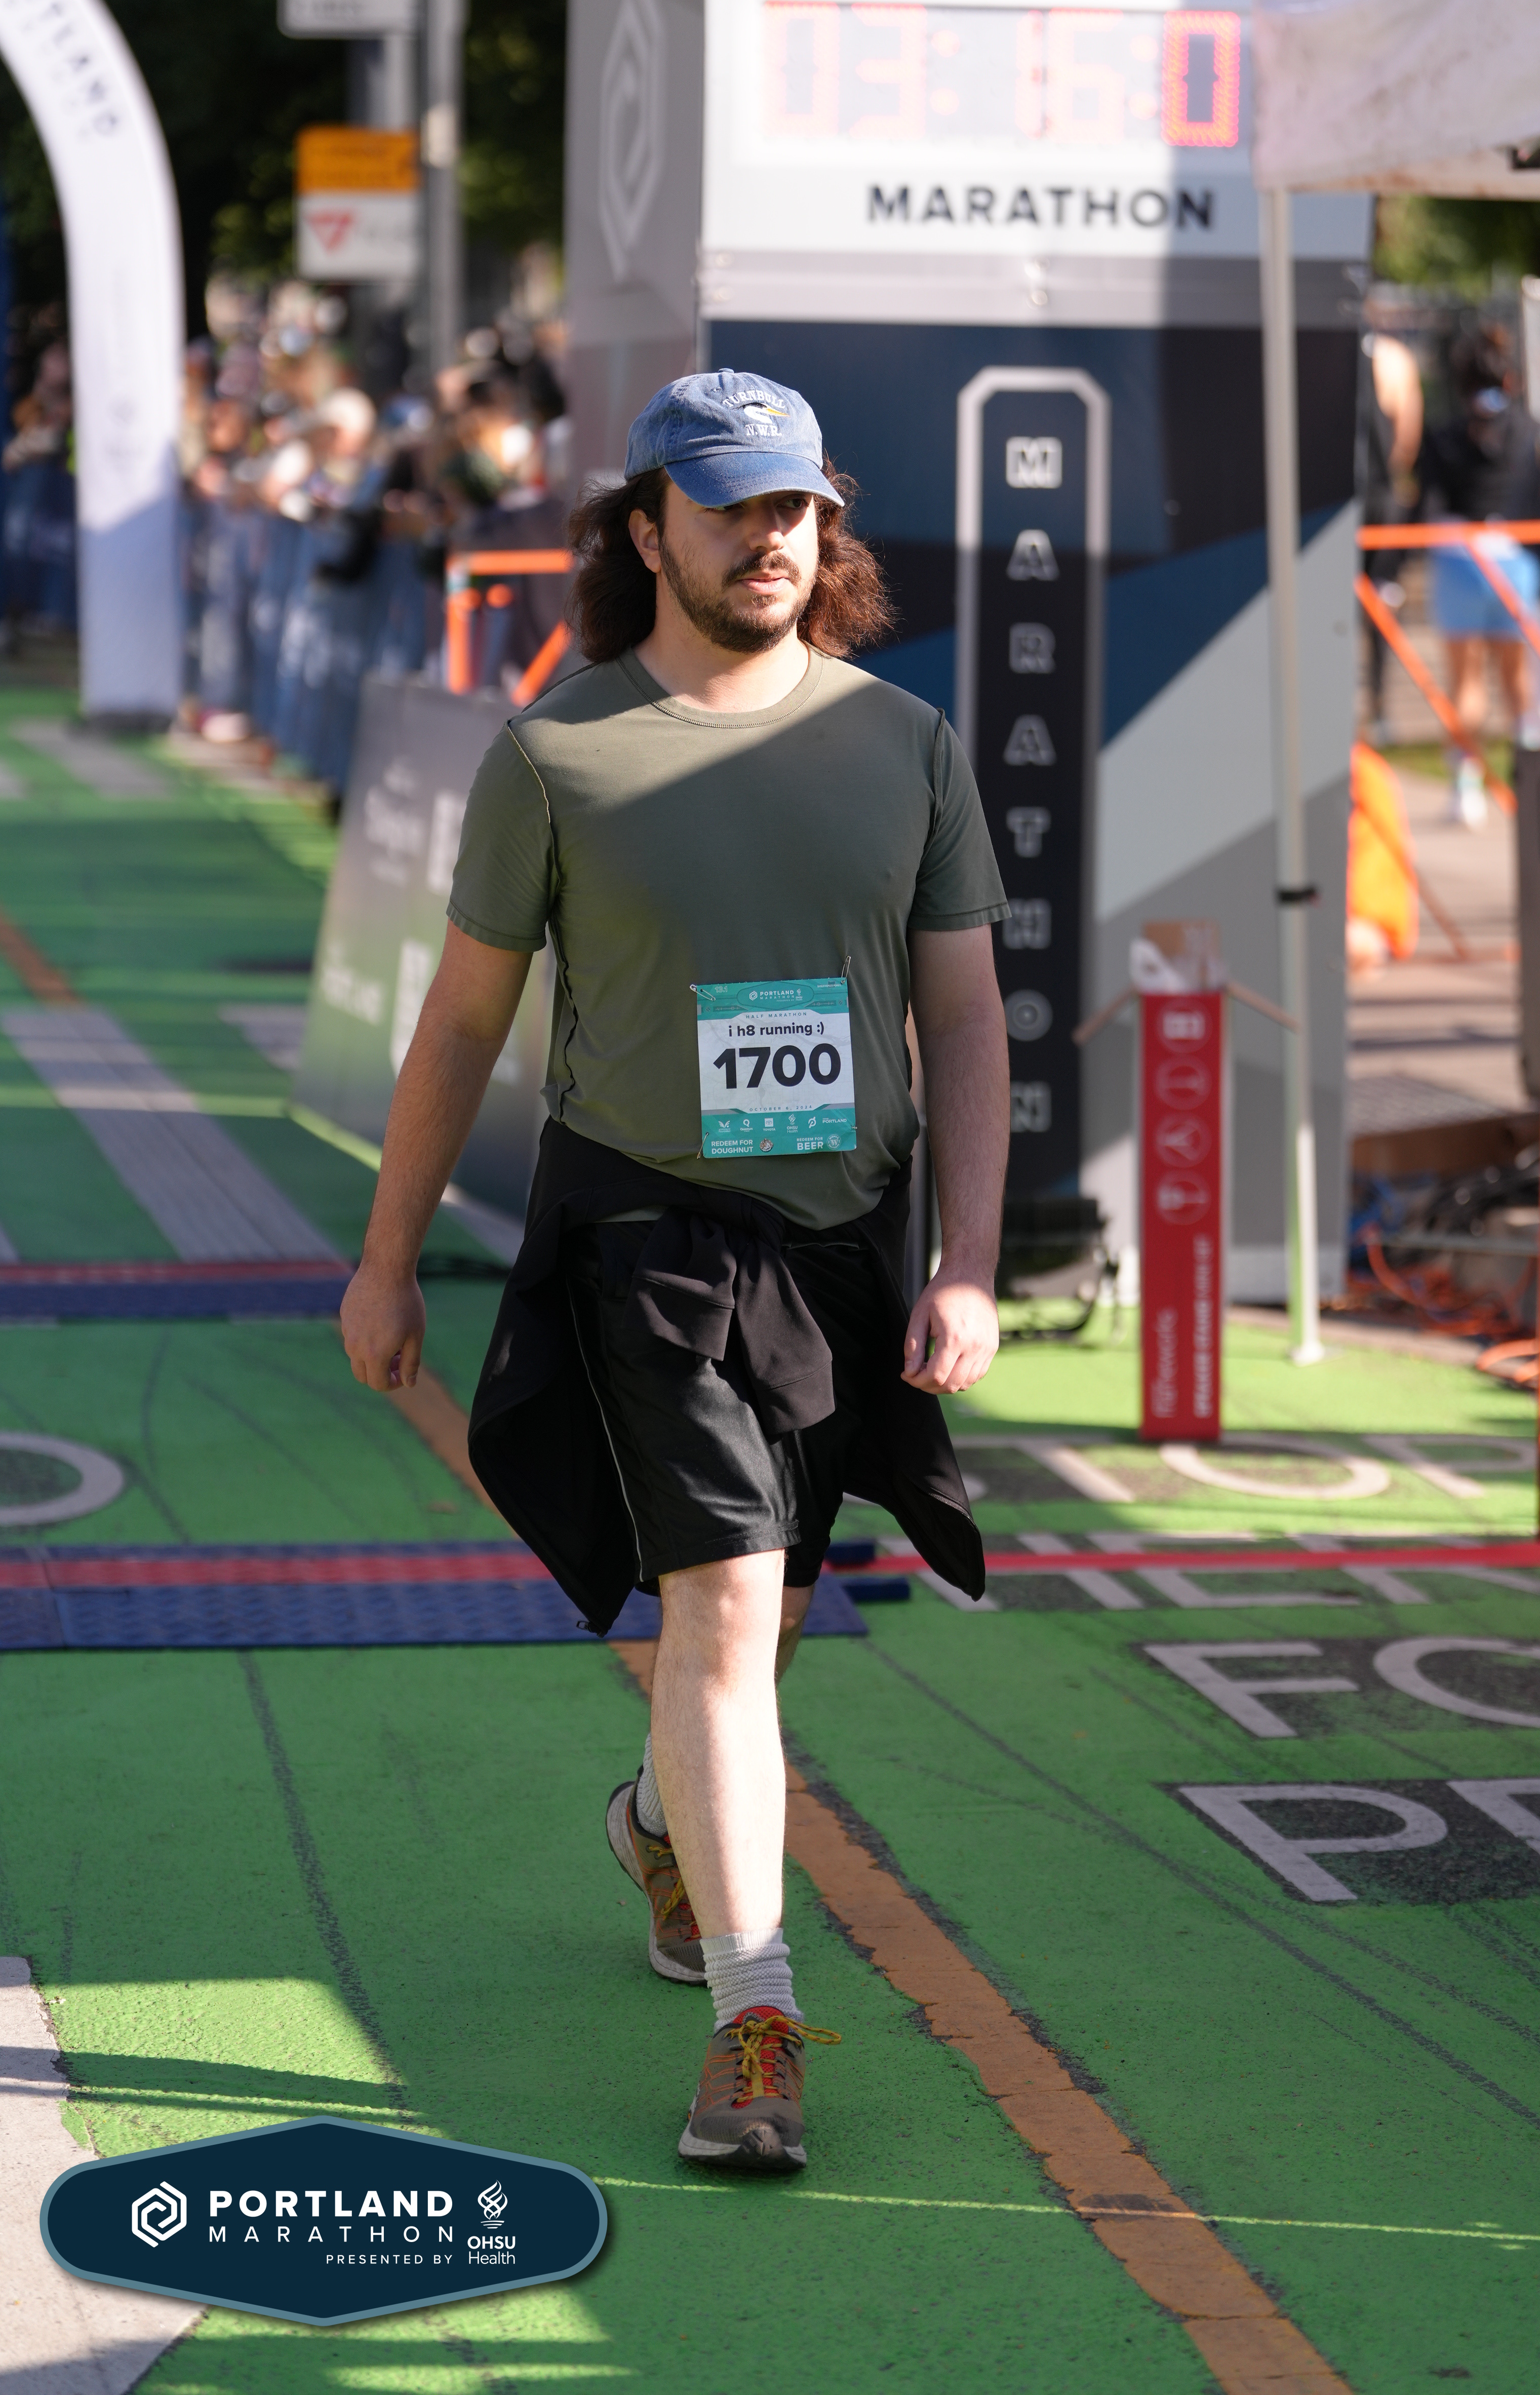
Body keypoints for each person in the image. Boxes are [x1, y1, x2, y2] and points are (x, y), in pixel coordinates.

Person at [339, 369, 1010, 2172]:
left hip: (844, 1245)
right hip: (645, 1236)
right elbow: (459, 1023)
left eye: (796, 509)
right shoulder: (557, 755)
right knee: (718, 1604)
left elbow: (964, 1016)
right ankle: (755, 2023)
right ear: (648, 532)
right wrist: (387, 1262)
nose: (772, 539)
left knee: (766, 1622)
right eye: (732, 509)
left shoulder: (906, 744)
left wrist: (969, 1261)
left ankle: (656, 1820)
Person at [1416, 323, 1540, 828]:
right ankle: (1532, 786)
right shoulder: (1528, 431)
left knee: (1466, 681)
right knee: (1518, 682)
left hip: (1458, 562)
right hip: (1515, 563)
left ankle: (1466, 788)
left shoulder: (1444, 435)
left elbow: (1428, 504)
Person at [1358, 329, 1423, 745]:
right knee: (1381, 603)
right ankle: (1379, 708)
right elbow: (1407, 439)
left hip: (1331, 506)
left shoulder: (1315, 350)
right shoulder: (1395, 359)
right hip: (1379, 505)